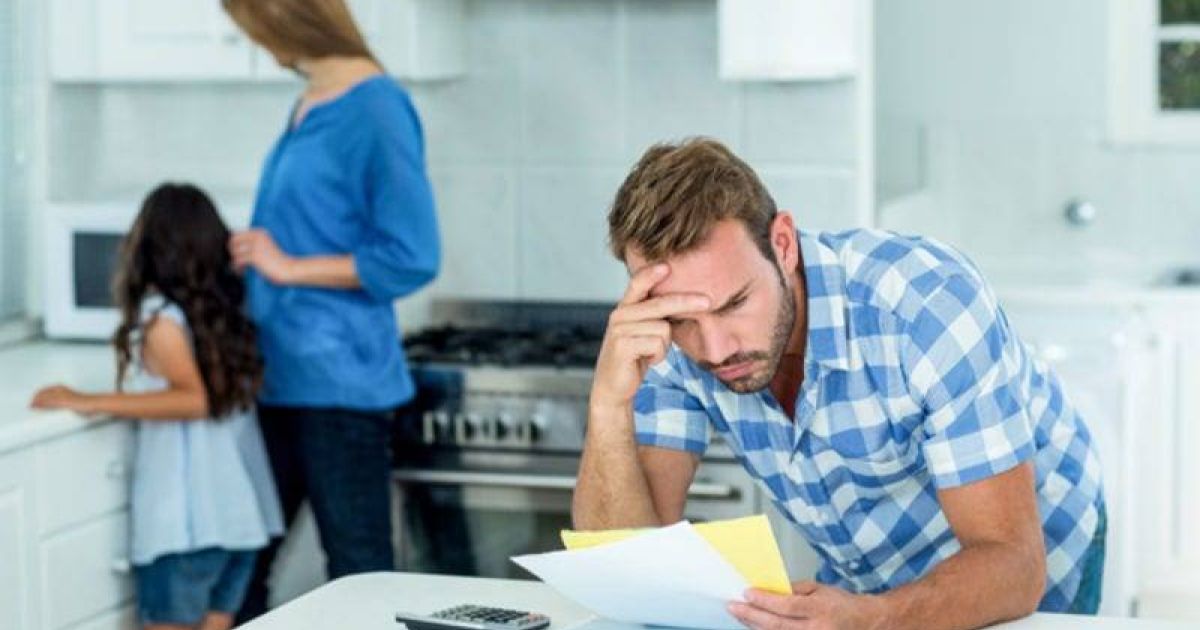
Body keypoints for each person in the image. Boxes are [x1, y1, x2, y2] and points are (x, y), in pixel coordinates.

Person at [573, 138, 1106, 629]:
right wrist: (607, 406)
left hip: (1032, 553)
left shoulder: (926, 305)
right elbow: (628, 564)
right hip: (870, 584)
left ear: (782, 244)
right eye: (683, 321)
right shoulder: (667, 336)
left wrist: (873, 619)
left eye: (735, 304)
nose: (713, 350)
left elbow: (1012, 564)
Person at [219, 0, 440, 620]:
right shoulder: (310, 101)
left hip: (338, 388)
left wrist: (286, 265)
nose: (256, 46)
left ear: (286, 19)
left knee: (359, 575)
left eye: (253, 30)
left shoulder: (376, 108)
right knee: (241, 567)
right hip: (276, 376)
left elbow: (411, 255)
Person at [31, 183, 283, 630]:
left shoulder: (160, 321)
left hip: (185, 530)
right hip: (238, 523)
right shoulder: (222, 315)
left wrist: (89, 401)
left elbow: (194, 400)